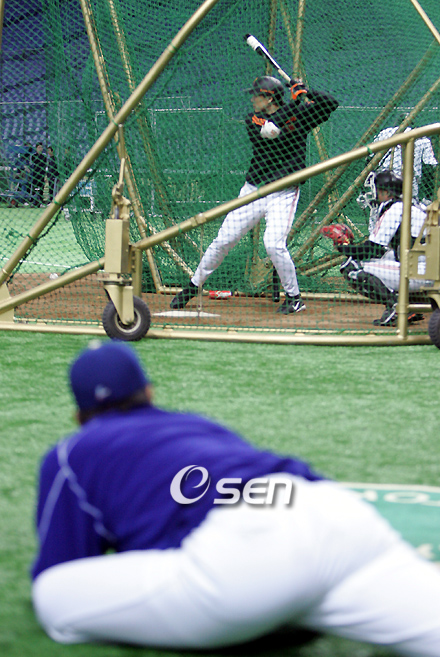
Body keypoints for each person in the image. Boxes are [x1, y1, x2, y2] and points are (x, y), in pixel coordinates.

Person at [31, 340, 440, 655]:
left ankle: (268, 617)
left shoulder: (71, 451)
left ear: (78, 416)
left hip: (246, 552)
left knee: (52, 593)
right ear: (150, 393)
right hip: (334, 513)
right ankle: (287, 609)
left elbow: (64, 563)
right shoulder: (196, 424)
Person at [170, 76, 339, 314]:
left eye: (256, 95)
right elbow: (270, 131)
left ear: (269, 98)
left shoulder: (301, 115)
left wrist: (305, 91)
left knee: (273, 244)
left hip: (283, 193)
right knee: (224, 240)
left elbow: (331, 104)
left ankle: (294, 298)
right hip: (254, 190)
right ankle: (192, 287)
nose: (252, 99)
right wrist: (294, 102)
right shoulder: (254, 119)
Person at [336, 171, 427, 326]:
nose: (375, 194)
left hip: (420, 273)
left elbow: (372, 249)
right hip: (428, 268)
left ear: (387, 193)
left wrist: (344, 248)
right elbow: (378, 251)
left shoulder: (395, 209)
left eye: (378, 190)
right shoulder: (412, 205)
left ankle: (397, 308)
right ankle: (410, 306)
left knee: (351, 266)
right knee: (385, 256)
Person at [373, 120, 437, 202]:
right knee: (410, 202)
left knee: (385, 201)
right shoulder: (422, 137)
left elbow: (371, 155)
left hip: (384, 175)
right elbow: (430, 164)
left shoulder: (385, 133)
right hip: (410, 177)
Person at [30, 142, 46, 206]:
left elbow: (44, 166)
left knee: (41, 188)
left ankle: (41, 201)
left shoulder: (44, 157)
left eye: (41, 147)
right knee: (34, 187)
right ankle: (33, 200)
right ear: (36, 148)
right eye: (39, 147)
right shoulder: (33, 156)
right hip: (35, 174)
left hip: (41, 174)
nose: (40, 149)